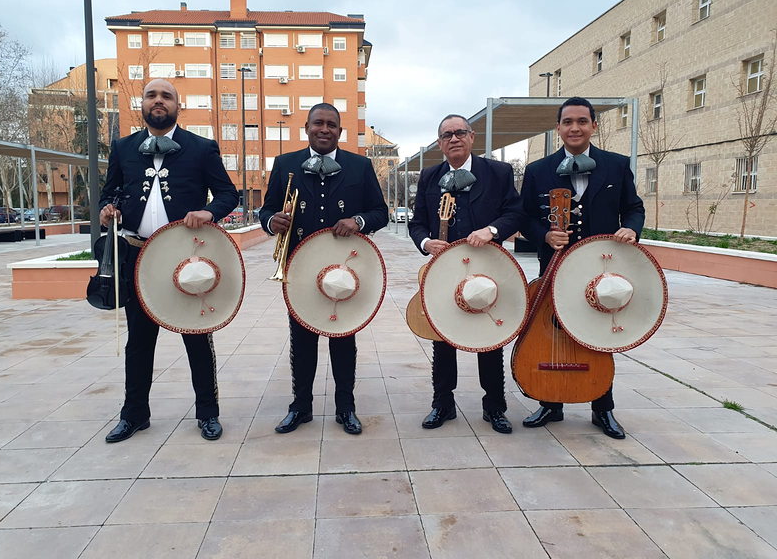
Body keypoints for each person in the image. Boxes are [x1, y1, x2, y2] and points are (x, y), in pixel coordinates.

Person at [99, 78, 238, 443]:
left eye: (166, 96)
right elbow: (108, 192)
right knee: (139, 342)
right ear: (141, 105)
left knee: (196, 337)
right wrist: (106, 209)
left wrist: (208, 213)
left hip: (186, 258)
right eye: (151, 95)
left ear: (179, 106)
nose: (158, 101)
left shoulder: (201, 147)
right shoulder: (123, 147)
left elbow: (228, 194)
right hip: (137, 256)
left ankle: (208, 413)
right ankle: (134, 415)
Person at [519, 96, 645, 439]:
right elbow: (525, 216)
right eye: (568, 122)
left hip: (602, 268)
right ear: (558, 128)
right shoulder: (537, 170)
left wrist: (631, 228)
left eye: (582, 121)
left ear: (593, 125)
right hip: (556, 265)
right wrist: (544, 235)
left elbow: (633, 208)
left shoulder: (617, 165)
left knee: (597, 336)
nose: (575, 128)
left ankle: (602, 409)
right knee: (554, 332)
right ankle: (551, 402)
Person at [260, 103, 388, 435]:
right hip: (300, 269)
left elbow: (380, 212)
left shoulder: (360, 166)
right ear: (307, 127)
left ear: (340, 132)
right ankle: (300, 406)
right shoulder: (285, 163)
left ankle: (346, 407)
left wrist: (358, 221)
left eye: (332, 124)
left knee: (343, 340)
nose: (325, 129)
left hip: (345, 271)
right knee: (301, 341)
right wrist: (271, 221)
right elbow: (268, 209)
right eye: (319, 123)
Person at [409, 114, 525, 433]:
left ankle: (495, 407)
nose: (454, 138)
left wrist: (491, 230)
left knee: (489, 338)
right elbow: (416, 222)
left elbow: (516, 213)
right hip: (443, 271)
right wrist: (425, 241)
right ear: (439, 143)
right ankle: (442, 404)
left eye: (460, 132)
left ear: (472, 137)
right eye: (447, 135)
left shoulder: (498, 172)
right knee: (442, 338)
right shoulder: (430, 177)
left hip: (488, 269)